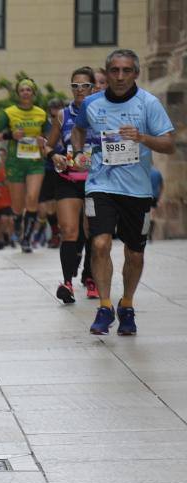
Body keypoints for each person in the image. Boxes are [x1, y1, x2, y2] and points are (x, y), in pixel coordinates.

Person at [70, 49, 174, 335]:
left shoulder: (149, 104)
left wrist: (142, 137)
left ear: (135, 73)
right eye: (114, 70)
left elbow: (169, 144)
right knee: (100, 243)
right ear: (106, 72)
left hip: (137, 191)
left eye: (126, 70)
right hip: (100, 185)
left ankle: (126, 304)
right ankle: (105, 307)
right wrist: (79, 152)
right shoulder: (91, 103)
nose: (119, 76)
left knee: (135, 253)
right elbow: (78, 130)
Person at [44, 67, 100, 304]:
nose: (79, 90)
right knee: (68, 230)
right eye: (75, 86)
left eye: (84, 86)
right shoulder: (63, 115)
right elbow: (47, 146)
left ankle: (90, 277)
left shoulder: (102, 111)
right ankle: (67, 283)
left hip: (96, 182)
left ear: (93, 88)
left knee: (92, 231)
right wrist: (53, 156)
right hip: (68, 180)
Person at [0, 79, 48, 252]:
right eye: (22, 90)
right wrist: (10, 135)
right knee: (17, 206)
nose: (25, 92)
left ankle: (26, 239)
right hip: (15, 163)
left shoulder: (41, 113)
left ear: (33, 93)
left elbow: (49, 137)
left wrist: (43, 140)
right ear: (18, 93)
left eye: (28, 90)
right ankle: (18, 221)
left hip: (35, 162)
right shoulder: (8, 112)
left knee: (32, 198)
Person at [36, 98, 65, 249]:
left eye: (59, 111)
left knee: (62, 204)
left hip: (65, 167)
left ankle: (63, 232)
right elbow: (42, 149)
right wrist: (42, 147)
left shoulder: (69, 121)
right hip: (48, 168)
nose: (56, 117)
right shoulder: (44, 126)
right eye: (53, 114)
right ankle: (55, 232)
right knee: (48, 206)